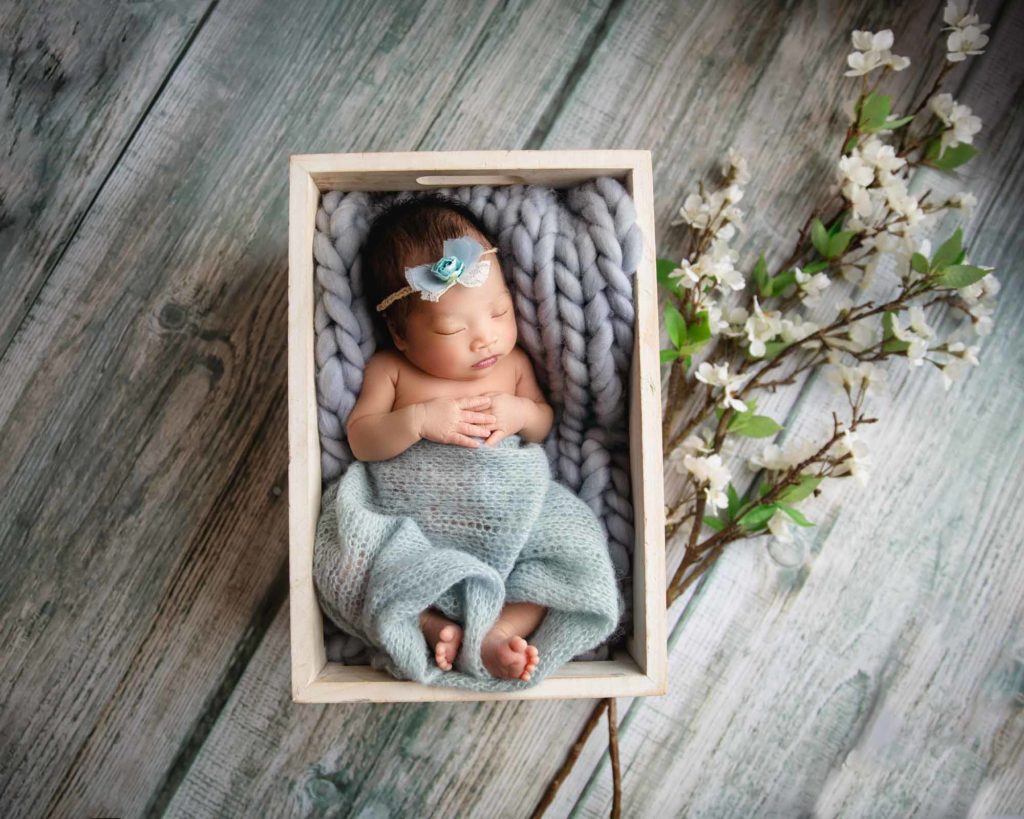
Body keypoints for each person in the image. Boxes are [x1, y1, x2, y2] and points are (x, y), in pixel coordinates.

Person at [348, 193, 556, 682]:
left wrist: (520, 410)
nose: (485, 337)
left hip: (508, 511)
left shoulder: (515, 366)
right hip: (417, 523)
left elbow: (543, 425)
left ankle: (497, 630)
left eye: (500, 312)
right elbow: (362, 440)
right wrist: (416, 421)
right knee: (361, 560)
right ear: (400, 335)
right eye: (451, 328)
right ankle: (429, 623)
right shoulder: (391, 371)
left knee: (558, 559)